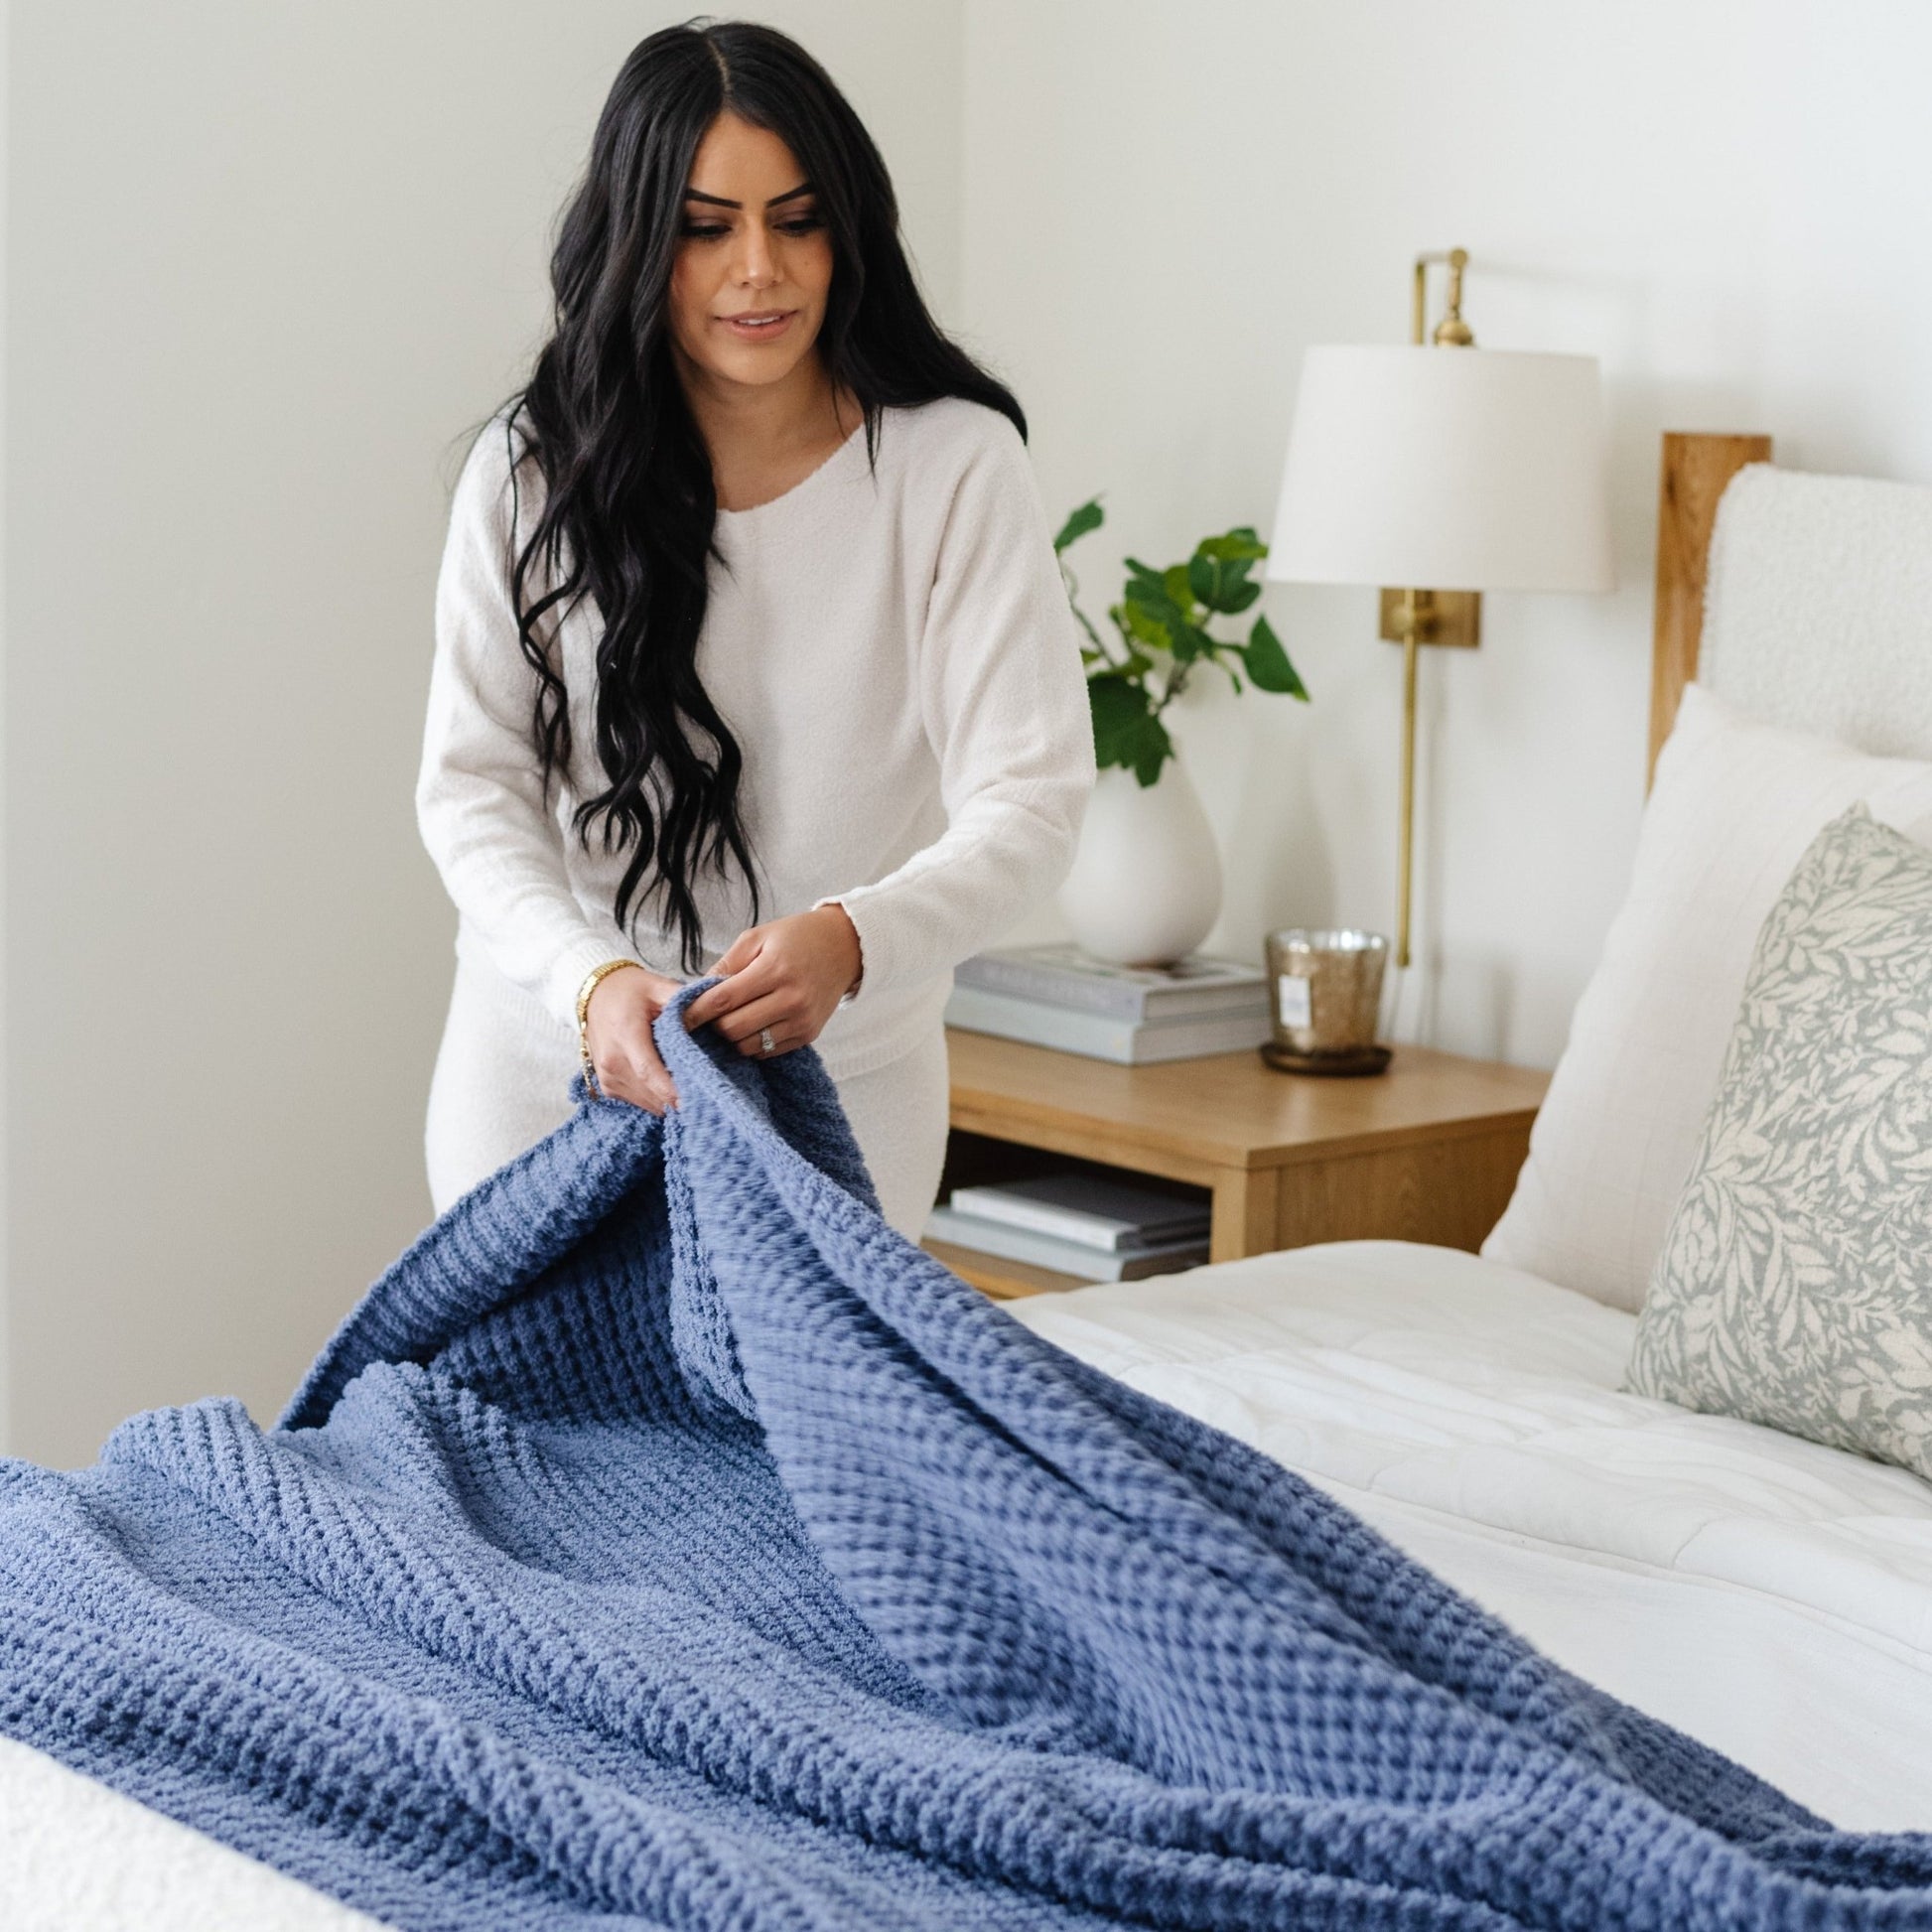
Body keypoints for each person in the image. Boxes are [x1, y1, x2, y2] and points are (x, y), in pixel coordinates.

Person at [416, 20, 1096, 1241]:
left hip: (845, 1081)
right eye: (703, 226)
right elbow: (469, 791)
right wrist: (594, 981)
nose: (757, 271)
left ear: (848, 230)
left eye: (795, 220)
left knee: (794, 1437)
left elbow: (1033, 798)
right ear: (637, 237)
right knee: (506, 1430)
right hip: (545, 1070)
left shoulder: (952, 468)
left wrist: (854, 938)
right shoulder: (532, 472)